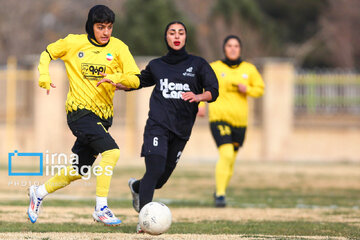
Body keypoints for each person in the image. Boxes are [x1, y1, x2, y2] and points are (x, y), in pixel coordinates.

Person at [98, 21, 219, 233]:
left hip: (181, 130)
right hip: (157, 126)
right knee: (154, 170)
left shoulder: (198, 64)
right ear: (166, 37)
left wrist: (199, 96)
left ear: (185, 37)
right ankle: (144, 222)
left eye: (180, 33)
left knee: (160, 180)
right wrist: (120, 84)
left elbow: (213, 91)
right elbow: (140, 81)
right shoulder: (157, 65)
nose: (176, 36)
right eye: (172, 32)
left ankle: (136, 187)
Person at [27, 5, 140, 226]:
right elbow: (47, 53)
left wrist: (117, 78)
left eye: (109, 27)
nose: (106, 32)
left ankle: (38, 192)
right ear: (91, 26)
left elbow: (135, 78)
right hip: (79, 113)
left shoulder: (118, 48)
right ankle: (101, 208)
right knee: (112, 152)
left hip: (103, 117)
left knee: (79, 170)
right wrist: (43, 75)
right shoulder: (73, 43)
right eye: (100, 27)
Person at [198, 35, 265, 207]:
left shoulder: (248, 69)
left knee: (231, 159)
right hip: (219, 118)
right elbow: (202, 86)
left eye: (236, 45)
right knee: (226, 154)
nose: (233, 48)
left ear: (240, 49)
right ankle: (220, 195)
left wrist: (247, 89)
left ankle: (220, 190)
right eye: (229, 45)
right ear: (224, 48)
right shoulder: (214, 67)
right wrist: (201, 106)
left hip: (240, 122)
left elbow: (260, 89)